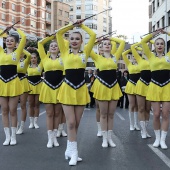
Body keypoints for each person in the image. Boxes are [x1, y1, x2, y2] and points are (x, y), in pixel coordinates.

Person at [56, 21, 96, 166]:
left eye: (77, 39)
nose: (74, 41)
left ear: (81, 42)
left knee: (76, 123)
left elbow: (93, 34)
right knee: (71, 122)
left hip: (80, 89)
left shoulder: (85, 52)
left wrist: (82, 26)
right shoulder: (64, 51)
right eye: (72, 38)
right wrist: (72, 26)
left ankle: (69, 149)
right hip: (67, 88)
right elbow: (59, 33)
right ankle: (74, 152)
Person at [90, 37, 125, 148]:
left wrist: (110, 38)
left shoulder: (115, 56)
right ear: (101, 47)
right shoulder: (97, 57)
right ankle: (104, 138)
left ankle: (110, 138)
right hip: (102, 86)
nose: (107, 45)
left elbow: (122, 42)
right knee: (103, 113)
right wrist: (95, 41)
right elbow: (87, 48)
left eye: (109, 44)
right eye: (105, 44)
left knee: (111, 114)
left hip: (113, 86)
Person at [141, 29, 170, 149]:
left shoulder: (168, 56)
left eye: (161, 44)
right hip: (154, 86)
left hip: (167, 86)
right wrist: (156, 33)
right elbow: (143, 42)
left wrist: (167, 32)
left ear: (164, 46)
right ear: (154, 45)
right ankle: (157, 138)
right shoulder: (150, 56)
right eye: (157, 43)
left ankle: (163, 140)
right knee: (157, 114)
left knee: (166, 114)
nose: (159, 45)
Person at [38, 35, 65, 148]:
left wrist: (58, 37)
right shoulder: (44, 58)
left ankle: (55, 136)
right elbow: (40, 44)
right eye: (51, 46)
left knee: (58, 113)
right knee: (49, 113)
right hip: (48, 87)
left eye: (56, 46)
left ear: (59, 48)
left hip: (59, 87)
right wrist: (51, 37)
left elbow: (66, 44)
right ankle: (50, 138)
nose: (54, 47)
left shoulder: (63, 57)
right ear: (49, 49)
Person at [0, 27, 26, 145]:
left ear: (16, 44)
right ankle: (7, 136)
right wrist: (4, 31)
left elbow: (24, 37)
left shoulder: (17, 53)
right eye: (7, 40)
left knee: (13, 110)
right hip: (2, 83)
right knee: (4, 110)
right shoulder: (1, 52)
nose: (9, 42)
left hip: (14, 82)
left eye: (12, 40)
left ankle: (14, 136)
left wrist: (16, 29)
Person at [131, 43, 151, 139]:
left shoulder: (154, 59)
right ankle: (143, 130)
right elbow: (132, 47)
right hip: (141, 85)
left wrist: (152, 42)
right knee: (141, 108)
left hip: (151, 86)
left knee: (148, 109)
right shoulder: (139, 59)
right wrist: (141, 45)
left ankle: (145, 130)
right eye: (143, 50)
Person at [123, 49, 140, 131]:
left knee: (137, 105)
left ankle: (136, 124)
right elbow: (123, 54)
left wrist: (139, 49)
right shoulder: (129, 64)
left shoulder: (142, 63)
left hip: (139, 85)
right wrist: (132, 48)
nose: (135, 57)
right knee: (132, 105)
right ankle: (131, 124)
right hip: (131, 85)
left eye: (136, 56)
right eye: (133, 56)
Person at [16, 49, 31, 135]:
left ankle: (21, 126)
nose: (20, 54)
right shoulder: (13, 60)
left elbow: (29, 55)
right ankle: (16, 124)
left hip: (23, 83)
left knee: (22, 105)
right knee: (13, 107)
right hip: (14, 82)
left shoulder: (25, 61)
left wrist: (21, 48)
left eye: (21, 53)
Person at [27, 52, 43, 129]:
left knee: (37, 104)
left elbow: (45, 56)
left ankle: (35, 122)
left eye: (34, 58)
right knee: (30, 104)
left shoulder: (40, 65)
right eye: (32, 58)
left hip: (38, 86)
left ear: (37, 58)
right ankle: (31, 122)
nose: (33, 59)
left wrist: (36, 49)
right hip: (30, 86)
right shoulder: (27, 66)